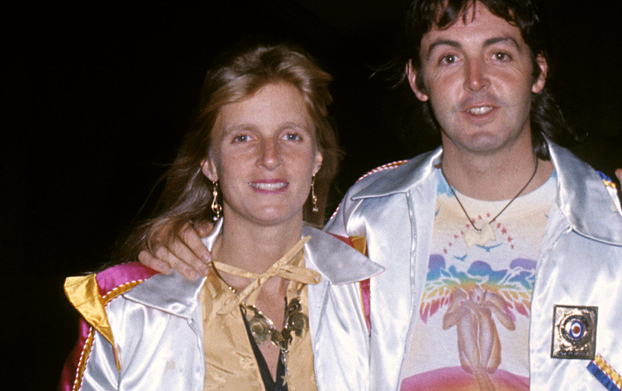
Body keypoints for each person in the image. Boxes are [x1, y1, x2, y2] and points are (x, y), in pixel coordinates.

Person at [141, 0, 622, 389]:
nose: (476, 81)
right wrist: (186, 244)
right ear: (418, 80)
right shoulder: (369, 215)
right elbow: (271, 279)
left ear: (539, 72)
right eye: (448, 57)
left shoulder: (617, 226)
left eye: (499, 53)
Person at [59, 41, 382, 390]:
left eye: (291, 136)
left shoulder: (370, 293)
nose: (270, 157)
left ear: (317, 158)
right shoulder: (132, 311)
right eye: (243, 138)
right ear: (210, 164)